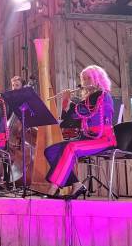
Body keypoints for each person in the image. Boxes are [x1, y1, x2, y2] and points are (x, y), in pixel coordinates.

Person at [44, 65, 115, 199]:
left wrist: (68, 100)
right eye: (84, 79)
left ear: (98, 79)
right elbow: (70, 121)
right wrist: (66, 102)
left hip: (102, 139)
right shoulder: (90, 98)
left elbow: (79, 112)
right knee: (51, 151)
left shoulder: (101, 95)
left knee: (72, 147)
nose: (85, 82)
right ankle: (76, 184)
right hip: (87, 138)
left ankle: (53, 188)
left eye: (89, 78)